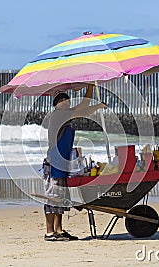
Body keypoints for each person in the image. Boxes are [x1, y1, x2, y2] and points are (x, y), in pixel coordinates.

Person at [43, 84, 107, 241]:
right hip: (54, 164)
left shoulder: (66, 117)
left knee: (62, 198)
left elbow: (82, 107)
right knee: (53, 198)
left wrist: (91, 88)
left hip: (62, 164)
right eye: (61, 100)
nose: (65, 101)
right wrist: (94, 98)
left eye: (66, 99)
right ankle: (50, 232)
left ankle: (59, 230)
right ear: (56, 104)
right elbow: (83, 108)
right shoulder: (58, 115)